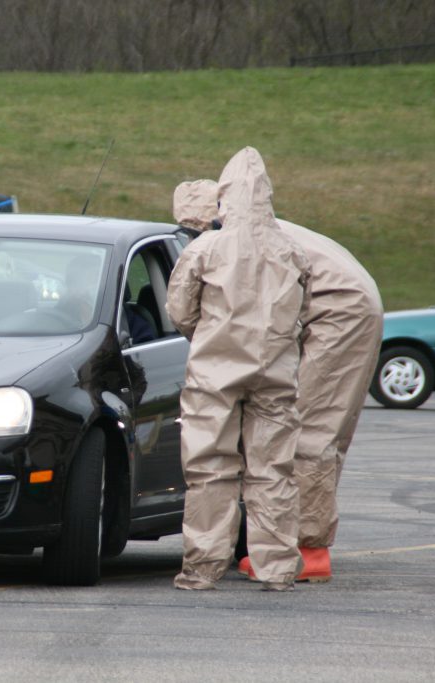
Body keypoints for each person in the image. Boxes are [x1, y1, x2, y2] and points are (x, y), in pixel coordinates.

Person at [173, 178, 384, 584]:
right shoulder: (263, 230)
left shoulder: (246, 241)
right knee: (304, 426)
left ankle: (307, 549)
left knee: (306, 428)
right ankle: (287, 543)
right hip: (345, 302)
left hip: (340, 309)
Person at [167, 148, 310, 592]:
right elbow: (301, 313)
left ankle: (203, 568)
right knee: (273, 469)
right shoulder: (291, 249)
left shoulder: (207, 247)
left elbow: (179, 309)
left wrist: (210, 337)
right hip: (275, 372)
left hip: (216, 373)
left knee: (210, 467)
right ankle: (277, 567)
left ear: (224, 197)